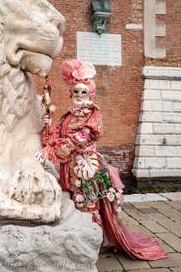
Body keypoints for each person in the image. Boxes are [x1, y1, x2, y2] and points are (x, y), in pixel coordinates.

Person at [36, 59, 167, 261]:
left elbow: (78, 140)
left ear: (90, 94)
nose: (79, 96)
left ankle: (92, 243)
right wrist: (48, 124)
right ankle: (79, 241)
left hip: (86, 167)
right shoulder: (69, 115)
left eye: (83, 92)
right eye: (76, 92)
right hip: (70, 167)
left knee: (86, 204)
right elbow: (56, 135)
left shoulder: (92, 115)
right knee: (73, 204)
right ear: (71, 93)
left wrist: (50, 151)